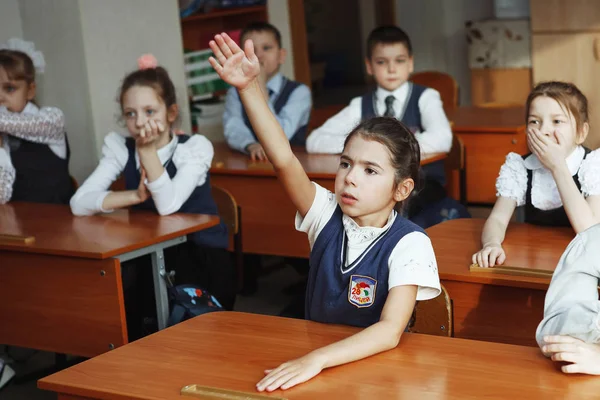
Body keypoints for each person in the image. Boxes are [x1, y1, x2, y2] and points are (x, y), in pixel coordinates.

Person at [209, 32, 440, 392]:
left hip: (376, 373)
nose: (350, 179)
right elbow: (283, 158)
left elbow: (389, 332)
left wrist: (317, 359)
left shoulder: (411, 243)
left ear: (402, 189)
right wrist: (249, 87)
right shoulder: (325, 212)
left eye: (370, 170)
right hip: (312, 357)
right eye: (346, 164)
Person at [473, 81, 600, 268]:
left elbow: (589, 230)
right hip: (534, 259)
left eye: (557, 121)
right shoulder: (519, 166)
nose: (543, 131)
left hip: (583, 263)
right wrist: (492, 243)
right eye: (534, 121)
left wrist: (558, 167)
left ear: (581, 133)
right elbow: (498, 219)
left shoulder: (592, 165)